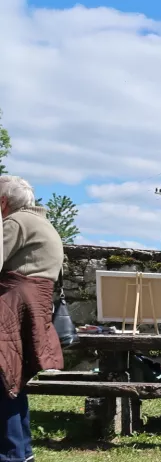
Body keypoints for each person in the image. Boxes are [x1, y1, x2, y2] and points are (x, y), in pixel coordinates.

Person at [0, 175, 65, 462]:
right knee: (13, 383)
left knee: (4, 384)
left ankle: (12, 456)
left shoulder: (15, 222)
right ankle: (22, 453)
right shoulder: (43, 223)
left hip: (13, 308)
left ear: (2, 202)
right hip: (31, 309)